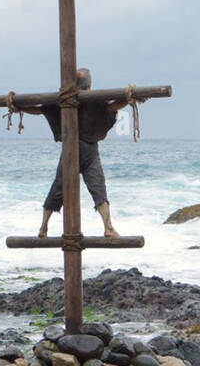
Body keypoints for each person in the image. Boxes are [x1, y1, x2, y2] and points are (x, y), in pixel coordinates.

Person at [19, 68, 127, 238]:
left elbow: (39, 109)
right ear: (90, 85)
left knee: (57, 188)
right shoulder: (94, 101)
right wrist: (129, 97)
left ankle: (43, 228)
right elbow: (114, 105)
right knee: (98, 189)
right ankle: (108, 228)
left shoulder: (61, 100)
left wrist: (19, 107)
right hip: (89, 152)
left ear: (73, 84)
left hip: (70, 150)